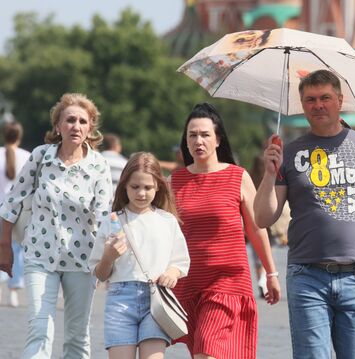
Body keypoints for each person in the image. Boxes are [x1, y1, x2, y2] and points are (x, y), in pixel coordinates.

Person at [253, 70, 355, 359]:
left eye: (325, 98)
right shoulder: (289, 152)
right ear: (302, 105)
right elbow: (264, 218)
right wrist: (268, 174)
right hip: (307, 276)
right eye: (310, 100)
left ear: (340, 100)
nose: (318, 105)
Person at [0, 93, 112, 359]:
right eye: (70, 120)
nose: (76, 126)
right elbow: (12, 202)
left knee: (77, 336)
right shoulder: (41, 157)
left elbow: (105, 216)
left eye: (82, 121)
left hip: (82, 261)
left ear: (90, 127)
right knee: (39, 329)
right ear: (58, 126)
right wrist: (4, 246)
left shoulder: (99, 166)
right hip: (40, 256)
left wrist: (104, 261)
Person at [170, 103, 281, 359]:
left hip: (227, 281)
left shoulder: (237, 176)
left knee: (207, 351)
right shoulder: (175, 181)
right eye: (192, 135)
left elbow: (256, 229)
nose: (199, 140)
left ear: (218, 139)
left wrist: (271, 273)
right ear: (185, 141)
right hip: (189, 284)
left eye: (205, 134)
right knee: (205, 351)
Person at [89, 152, 190, 359]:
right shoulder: (113, 220)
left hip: (156, 300)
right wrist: (109, 256)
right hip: (120, 299)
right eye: (135, 187)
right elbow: (99, 273)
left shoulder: (167, 221)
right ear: (125, 186)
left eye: (148, 187)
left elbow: (180, 261)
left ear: (158, 187)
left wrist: (171, 273)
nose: (141, 193)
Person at [0, 121, 30, 307]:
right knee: (17, 251)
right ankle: (14, 290)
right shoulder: (27, 156)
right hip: (18, 210)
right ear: (19, 136)